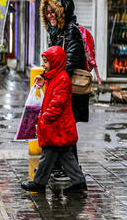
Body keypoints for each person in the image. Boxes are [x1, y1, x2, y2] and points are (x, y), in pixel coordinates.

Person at [36, 0, 89, 179]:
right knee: (59, 127)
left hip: (68, 88)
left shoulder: (70, 31)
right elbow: (53, 61)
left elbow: (70, 60)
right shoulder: (56, 31)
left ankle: (71, 172)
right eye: (47, 12)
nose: (50, 15)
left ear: (62, 12)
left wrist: (51, 78)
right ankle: (60, 168)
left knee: (65, 128)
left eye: (53, 11)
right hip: (60, 85)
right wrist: (45, 76)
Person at [21, 46, 87, 192]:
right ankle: (79, 181)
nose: (43, 64)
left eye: (46, 61)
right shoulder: (55, 77)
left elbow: (57, 104)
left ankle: (39, 183)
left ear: (55, 62)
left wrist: (44, 118)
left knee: (48, 154)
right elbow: (52, 94)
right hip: (57, 126)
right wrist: (43, 80)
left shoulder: (62, 79)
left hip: (57, 126)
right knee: (65, 155)